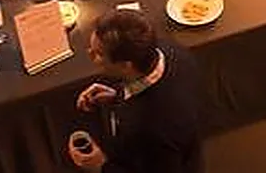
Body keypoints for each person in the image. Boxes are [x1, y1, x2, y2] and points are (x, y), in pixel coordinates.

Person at [70, 9, 203, 173]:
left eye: (98, 54)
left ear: (126, 65)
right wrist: (118, 96)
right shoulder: (172, 51)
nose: (89, 55)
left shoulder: (150, 129)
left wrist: (101, 166)